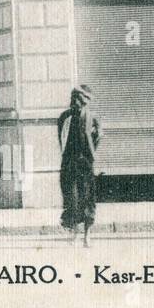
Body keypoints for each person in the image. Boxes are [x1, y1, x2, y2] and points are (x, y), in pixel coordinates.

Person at [57, 85, 102, 246]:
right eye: (75, 98)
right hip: (70, 162)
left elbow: (99, 135)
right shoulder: (65, 117)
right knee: (72, 199)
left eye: (80, 100)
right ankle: (75, 234)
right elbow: (62, 139)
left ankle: (86, 235)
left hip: (84, 163)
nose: (76, 102)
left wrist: (91, 153)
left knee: (88, 198)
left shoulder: (91, 117)